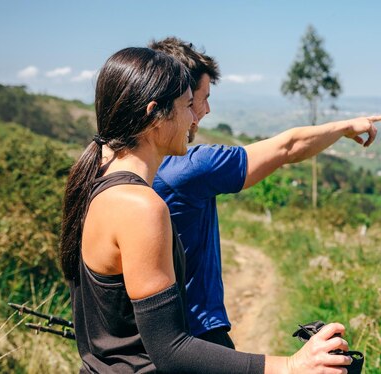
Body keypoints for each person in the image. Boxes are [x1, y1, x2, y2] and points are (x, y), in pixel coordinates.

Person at [60, 46, 353, 373]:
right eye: (188, 105)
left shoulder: (95, 181)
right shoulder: (140, 206)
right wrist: (292, 365)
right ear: (155, 114)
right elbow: (170, 349)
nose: (194, 117)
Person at [149, 37, 381, 348]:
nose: (206, 110)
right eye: (202, 98)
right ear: (178, 99)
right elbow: (288, 147)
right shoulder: (188, 168)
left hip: (157, 338)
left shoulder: (121, 167)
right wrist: (344, 127)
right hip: (199, 335)